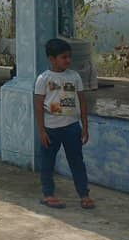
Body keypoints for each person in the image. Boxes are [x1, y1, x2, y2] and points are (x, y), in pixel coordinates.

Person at [35, 38, 94, 209]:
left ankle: (84, 194)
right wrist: (41, 131)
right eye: (63, 57)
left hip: (72, 128)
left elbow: (82, 102)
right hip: (50, 129)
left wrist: (85, 126)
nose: (68, 60)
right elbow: (38, 106)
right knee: (47, 164)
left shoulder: (74, 77)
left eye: (69, 57)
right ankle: (48, 195)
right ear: (51, 59)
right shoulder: (43, 79)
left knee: (77, 162)